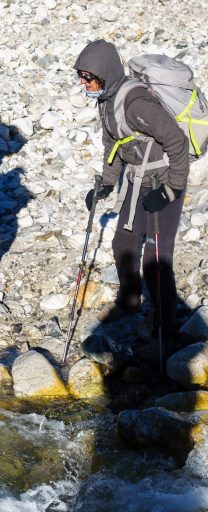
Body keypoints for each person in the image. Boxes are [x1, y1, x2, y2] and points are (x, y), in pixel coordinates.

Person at [74, 40, 189, 342]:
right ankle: (129, 299)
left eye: (88, 76)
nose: (83, 83)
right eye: (81, 76)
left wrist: (171, 190)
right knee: (123, 241)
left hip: (163, 181)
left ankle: (167, 326)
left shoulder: (136, 103)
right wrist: (108, 182)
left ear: (106, 74)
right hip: (137, 180)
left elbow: (177, 142)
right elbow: (113, 145)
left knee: (156, 256)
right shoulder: (106, 101)